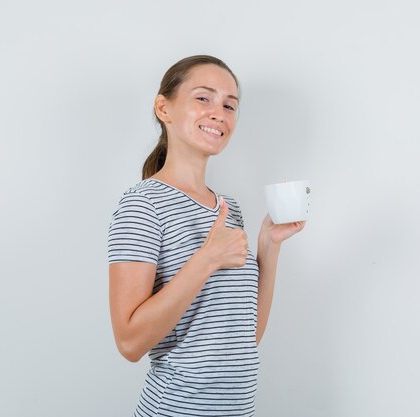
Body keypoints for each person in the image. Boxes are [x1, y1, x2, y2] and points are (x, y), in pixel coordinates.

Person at [107, 55, 306, 417]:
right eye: (203, 98)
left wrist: (268, 246)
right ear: (163, 107)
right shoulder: (142, 204)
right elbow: (129, 342)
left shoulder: (228, 208)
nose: (219, 113)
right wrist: (205, 261)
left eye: (230, 105)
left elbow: (246, 340)